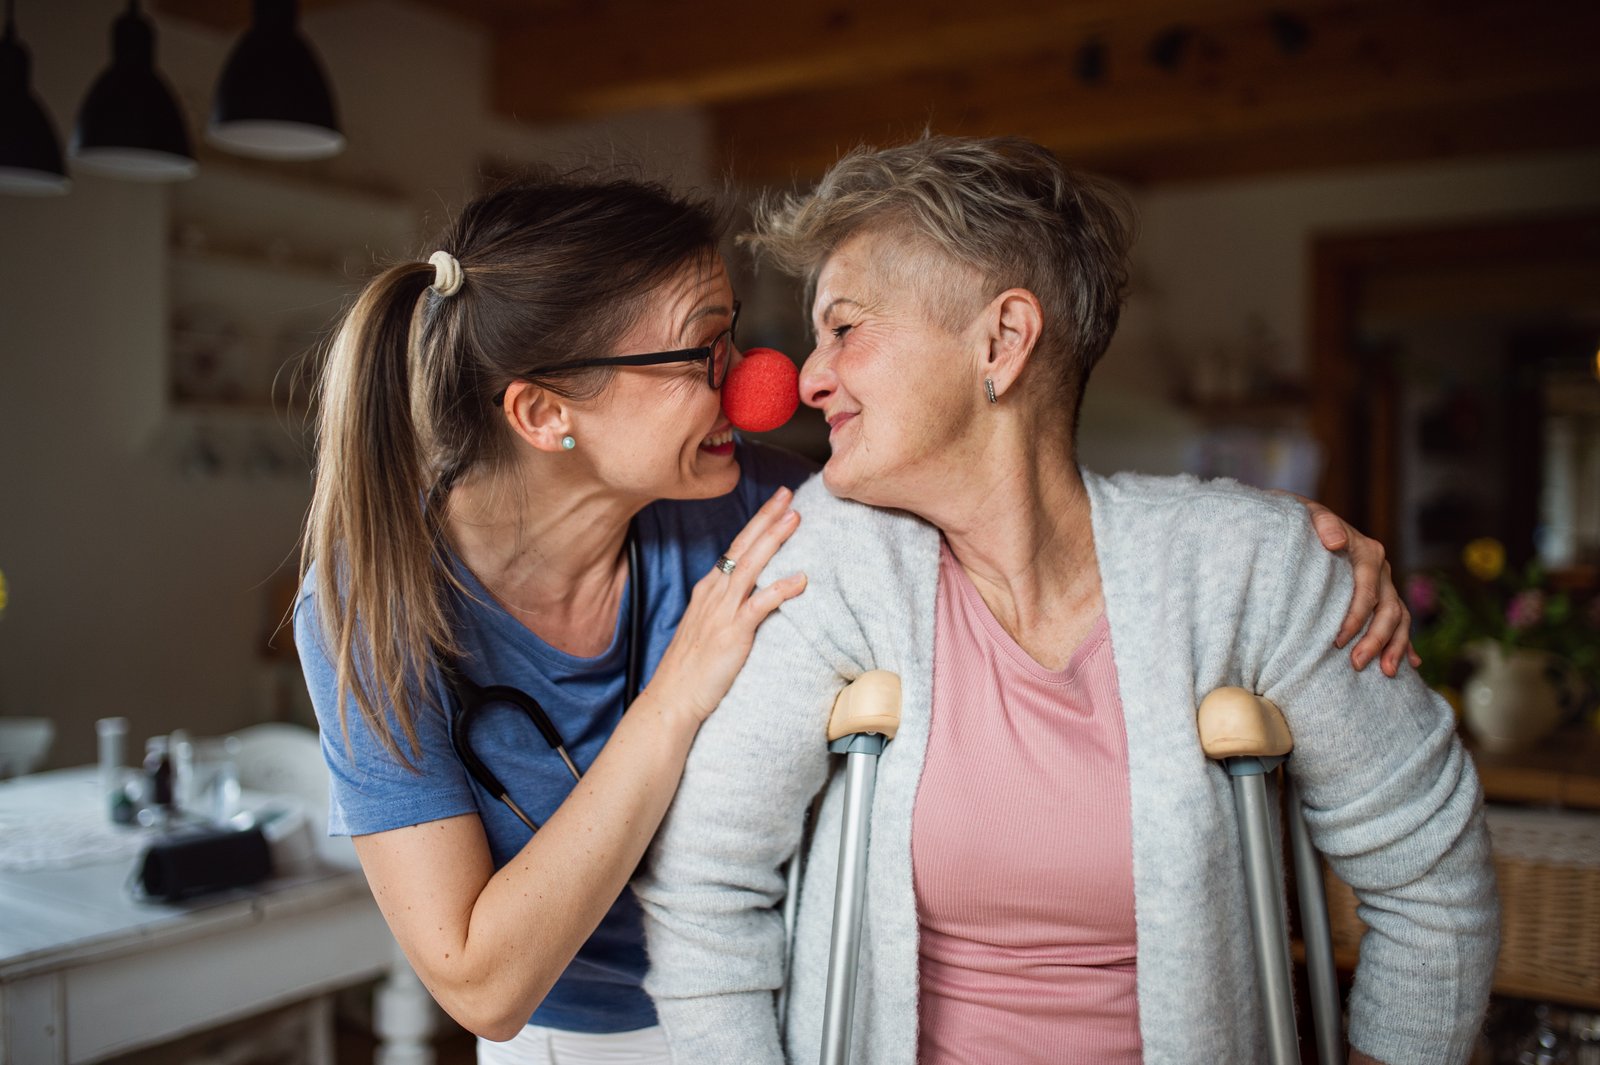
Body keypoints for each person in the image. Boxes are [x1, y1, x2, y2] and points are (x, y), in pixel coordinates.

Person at [294, 165, 1418, 1064]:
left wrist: (1278, 548)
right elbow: (480, 983)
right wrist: (675, 697)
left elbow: (995, 486)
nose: (766, 382)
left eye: (743, 336)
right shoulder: (371, 606)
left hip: (785, 1007)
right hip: (573, 1039)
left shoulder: (763, 507)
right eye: (705, 351)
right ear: (546, 413)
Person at [635, 136, 1497, 1065]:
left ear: (1001, 340)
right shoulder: (828, 560)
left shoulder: (1254, 566)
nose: (808, 377)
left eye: (844, 328)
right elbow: (707, 889)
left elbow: (1431, 874)